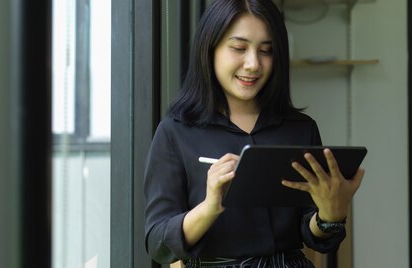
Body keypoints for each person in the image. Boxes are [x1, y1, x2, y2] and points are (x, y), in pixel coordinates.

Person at [143, 0, 365, 267]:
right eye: (239, 48)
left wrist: (331, 213)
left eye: (266, 51)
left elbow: (315, 236)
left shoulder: (300, 128)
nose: (253, 64)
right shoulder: (175, 132)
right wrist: (209, 207)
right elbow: (158, 244)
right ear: (209, 48)